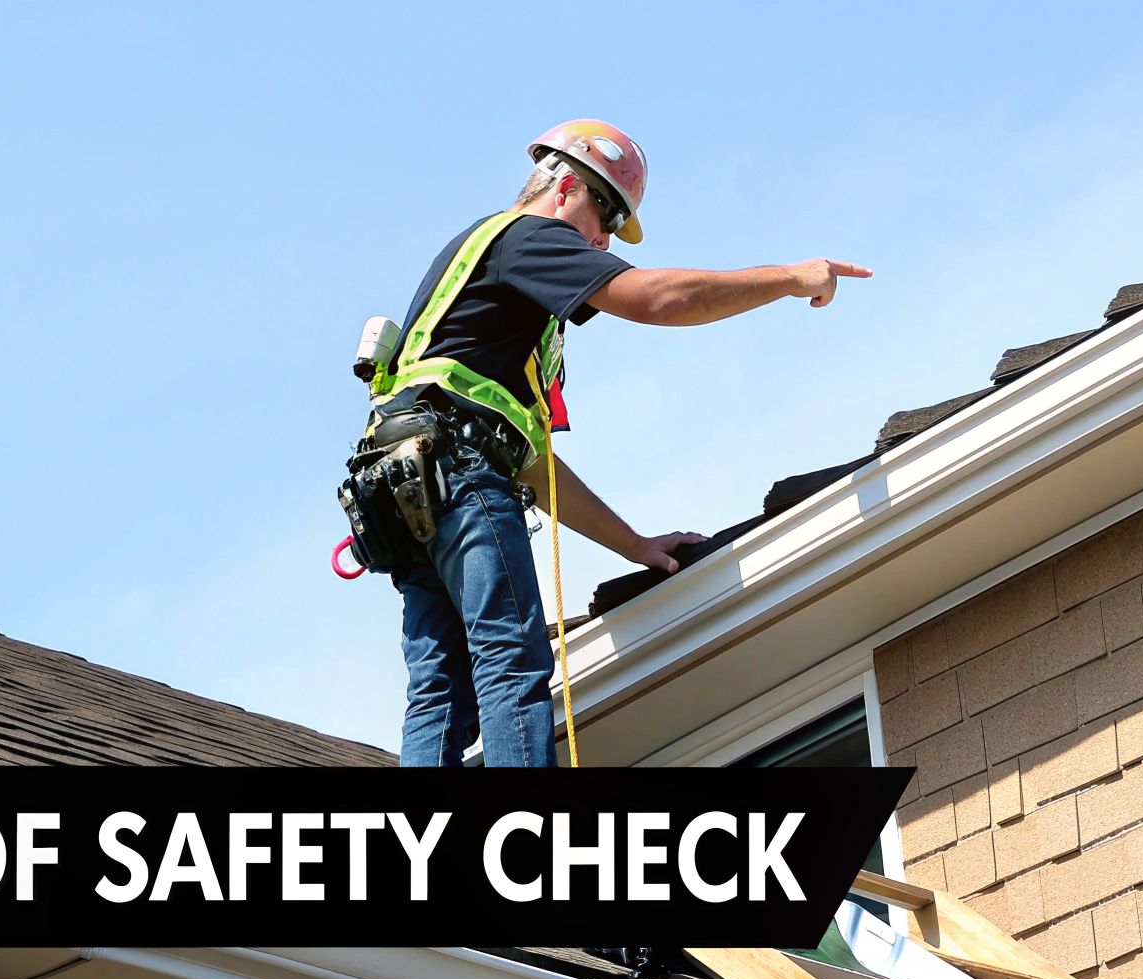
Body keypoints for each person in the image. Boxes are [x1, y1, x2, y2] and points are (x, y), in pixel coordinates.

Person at [366, 120, 871, 767]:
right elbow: (658, 299)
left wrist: (632, 544)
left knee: (440, 691)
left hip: (412, 490)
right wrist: (789, 278)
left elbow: (534, 466)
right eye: (605, 214)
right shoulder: (528, 237)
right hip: (459, 475)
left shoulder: (477, 298)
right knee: (510, 657)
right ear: (565, 188)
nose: (603, 240)